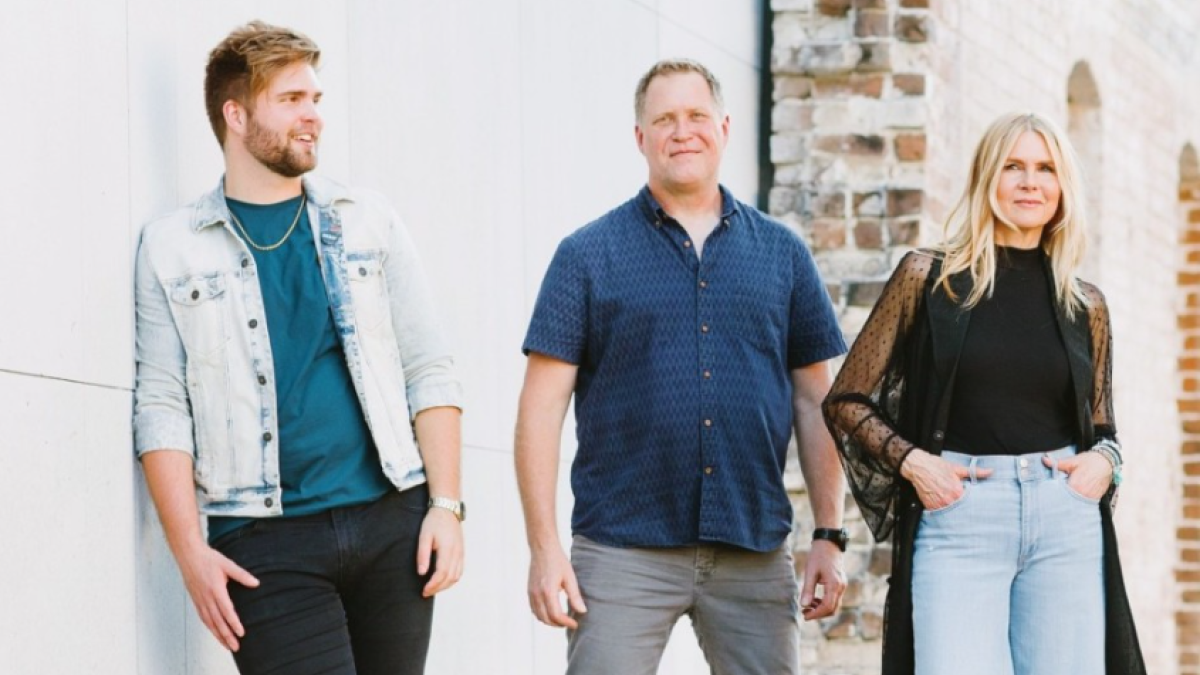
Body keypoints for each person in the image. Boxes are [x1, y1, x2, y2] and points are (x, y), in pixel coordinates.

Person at [133, 21, 464, 675]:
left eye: (315, 98)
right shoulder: (172, 245)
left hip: (391, 519)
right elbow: (161, 406)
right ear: (236, 114)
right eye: (291, 100)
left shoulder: (367, 218)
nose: (313, 115)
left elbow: (430, 367)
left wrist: (447, 507)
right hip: (263, 540)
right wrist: (188, 551)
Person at [514, 58, 849, 675]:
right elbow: (539, 410)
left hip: (752, 549)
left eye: (696, 116)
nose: (682, 131)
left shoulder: (783, 254)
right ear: (640, 138)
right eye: (663, 119)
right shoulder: (586, 256)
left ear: (723, 128)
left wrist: (829, 534)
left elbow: (815, 402)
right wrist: (544, 549)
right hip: (621, 552)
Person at [823, 111, 1145, 675]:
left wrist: (1105, 465)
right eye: (1013, 166)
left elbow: (1104, 429)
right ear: (985, 179)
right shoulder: (928, 279)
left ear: (1063, 186)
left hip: (1063, 521)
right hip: (961, 516)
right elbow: (847, 400)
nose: (1029, 182)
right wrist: (916, 463)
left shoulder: (1084, 303)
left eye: (1045, 169)